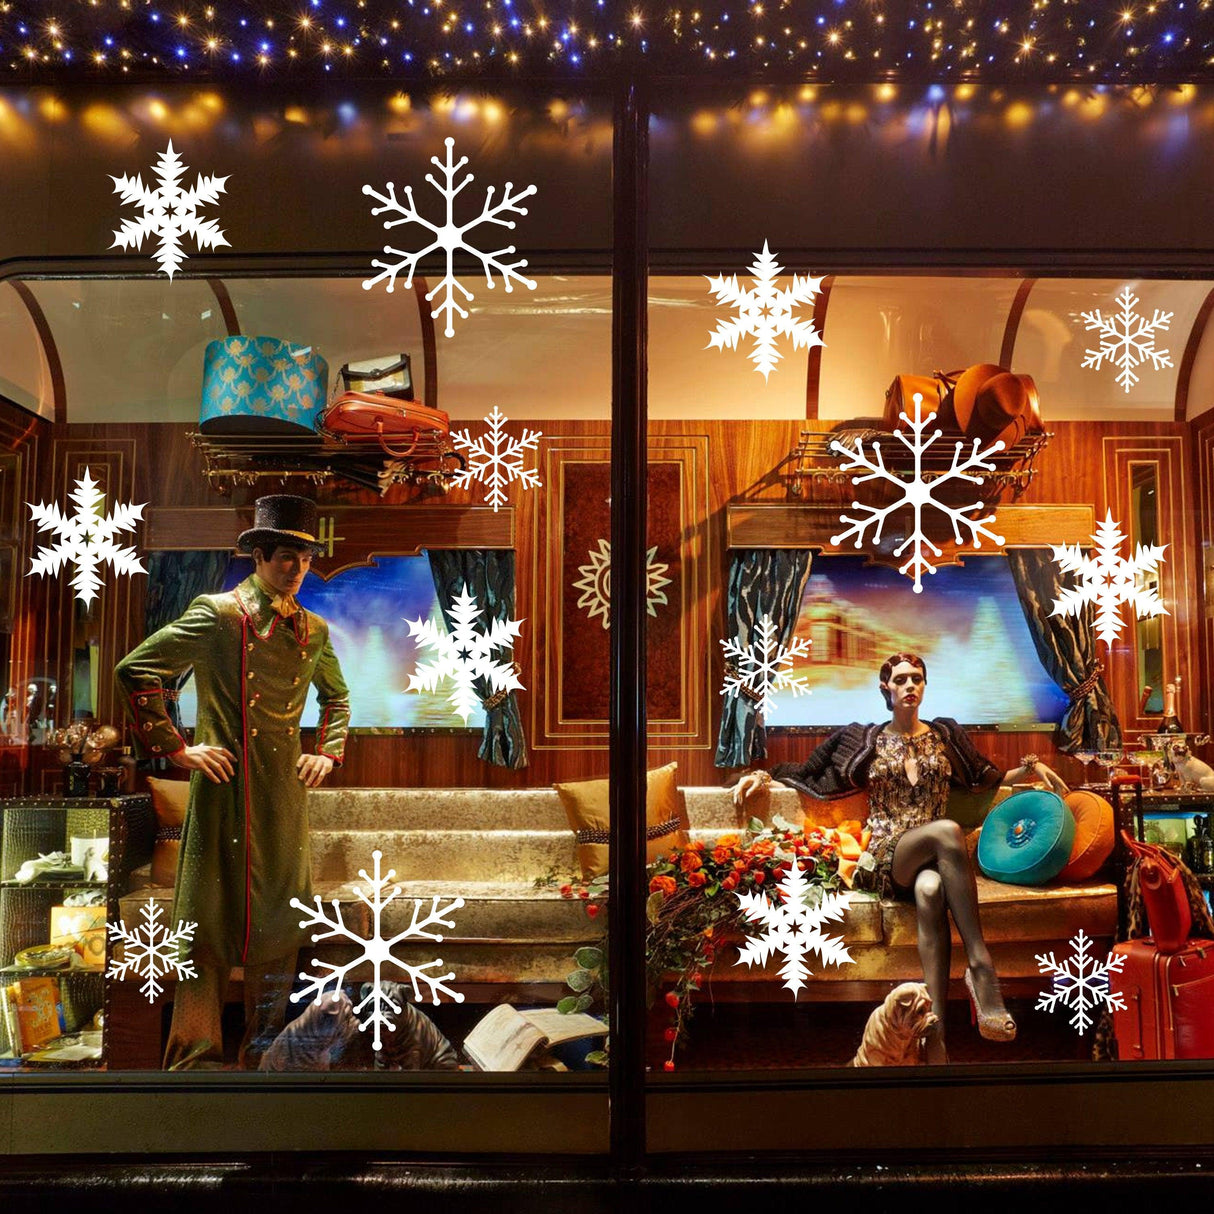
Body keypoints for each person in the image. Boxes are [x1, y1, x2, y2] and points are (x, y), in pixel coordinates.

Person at [115, 495, 350, 1069]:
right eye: (286, 558)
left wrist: (328, 753)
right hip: (224, 788)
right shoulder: (218, 613)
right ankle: (193, 1060)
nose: (296, 570)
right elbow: (135, 668)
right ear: (260, 557)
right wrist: (178, 749)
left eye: (304, 559)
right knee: (205, 923)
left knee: (282, 918)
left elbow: (338, 699)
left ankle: (269, 1058)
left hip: (283, 797)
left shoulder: (313, 629)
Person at [734, 652, 1052, 1064]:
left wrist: (1031, 768)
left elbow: (983, 777)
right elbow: (805, 771)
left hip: (934, 863)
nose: (909, 686)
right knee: (948, 830)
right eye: (900, 679)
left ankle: (934, 1036)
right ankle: (981, 966)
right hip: (886, 854)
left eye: (917, 678)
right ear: (886, 687)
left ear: (925, 686)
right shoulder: (861, 737)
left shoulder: (945, 735)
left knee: (932, 890)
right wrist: (761, 775)